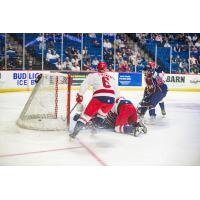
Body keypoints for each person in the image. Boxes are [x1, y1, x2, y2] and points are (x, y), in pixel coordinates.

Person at [69, 62, 119, 139]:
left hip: (99, 97)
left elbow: (84, 85)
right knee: (102, 115)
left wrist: (80, 95)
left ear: (97, 68)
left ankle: (74, 134)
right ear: (105, 69)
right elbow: (116, 92)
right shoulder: (112, 78)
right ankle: (94, 128)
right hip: (111, 98)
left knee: (85, 117)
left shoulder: (93, 75)